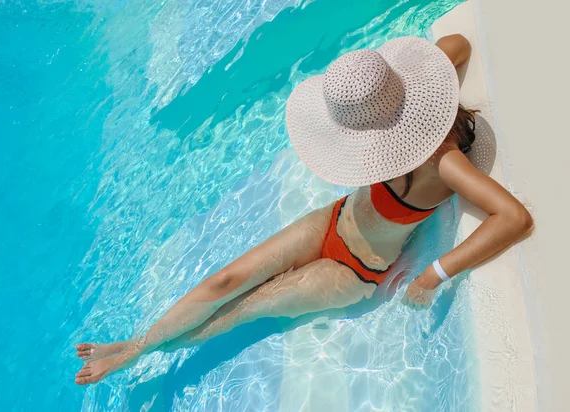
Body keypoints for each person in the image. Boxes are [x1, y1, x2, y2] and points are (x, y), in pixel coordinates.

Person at [75, 34, 532, 385]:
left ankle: (143, 355)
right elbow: (458, 45)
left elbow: (514, 218)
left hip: (354, 271)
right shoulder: (402, 102)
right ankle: (136, 345)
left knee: (242, 308)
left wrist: (434, 273)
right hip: (331, 220)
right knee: (224, 282)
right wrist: (402, 86)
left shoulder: (444, 162)